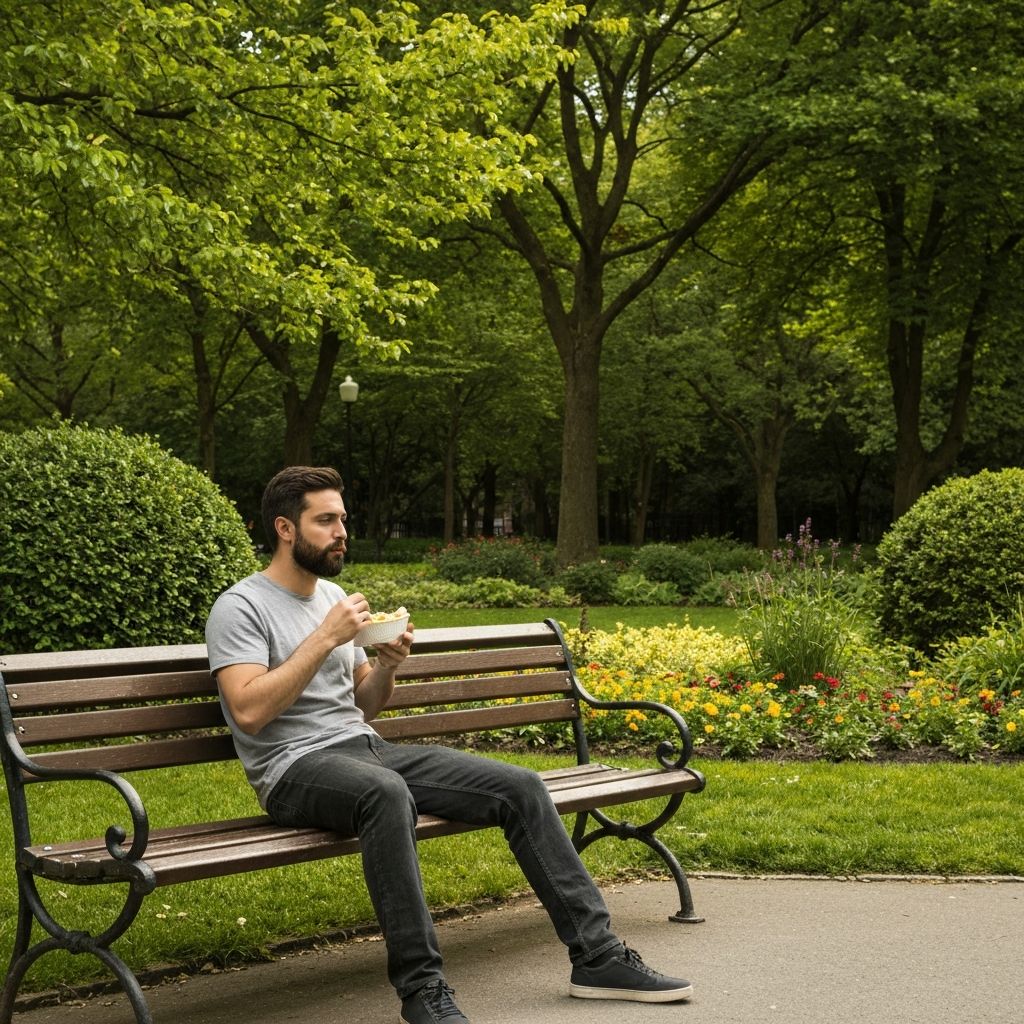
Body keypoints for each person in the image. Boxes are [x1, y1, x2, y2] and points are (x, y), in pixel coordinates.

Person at [205, 465, 694, 1024]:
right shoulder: (241, 607)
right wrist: (325, 637)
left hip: (362, 748)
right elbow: (248, 710)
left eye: (343, 519)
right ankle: (423, 992)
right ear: (285, 529)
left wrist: (387, 667)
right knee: (386, 794)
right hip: (292, 769)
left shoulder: (333, 597)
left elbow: (362, 706)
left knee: (519, 784)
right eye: (326, 521)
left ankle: (598, 956)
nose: (342, 532)